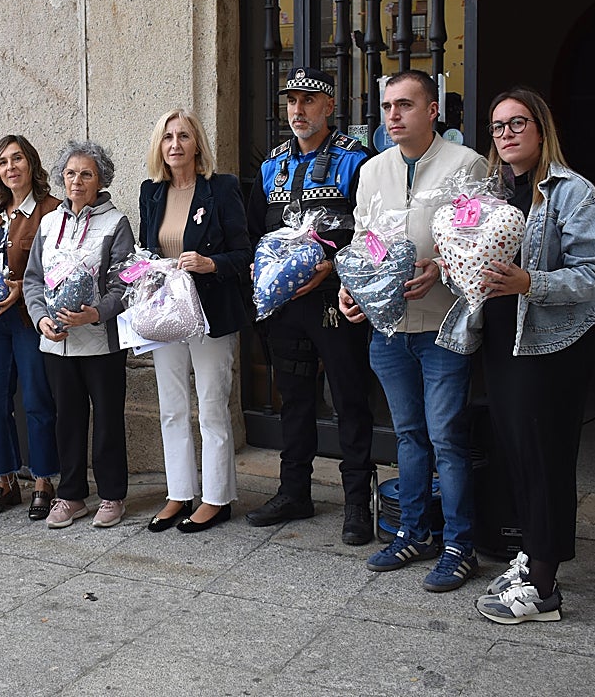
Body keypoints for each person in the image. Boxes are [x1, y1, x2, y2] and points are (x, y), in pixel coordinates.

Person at [436, 88, 595, 623]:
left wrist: (528, 281)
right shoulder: (488, 193)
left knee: (546, 458)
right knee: (516, 451)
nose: (506, 133)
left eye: (518, 123)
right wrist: (454, 267)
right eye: (497, 127)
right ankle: (532, 555)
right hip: (501, 339)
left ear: (541, 129)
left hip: (553, 344)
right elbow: (468, 257)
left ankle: (544, 589)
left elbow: (594, 277)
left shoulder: (574, 195)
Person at [338, 69, 487, 592]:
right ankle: (414, 530)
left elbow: (483, 241)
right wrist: (350, 288)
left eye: (405, 105)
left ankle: (459, 544)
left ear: (432, 110)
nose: (394, 116)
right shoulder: (373, 169)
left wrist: (441, 267)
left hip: (444, 326)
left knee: (447, 437)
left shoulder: (466, 165)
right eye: (387, 107)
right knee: (408, 435)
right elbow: (363, 242)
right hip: (389, 330)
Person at [244, 67, 376, 546]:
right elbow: (256, 229)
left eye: (308, 100)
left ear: (329, 106)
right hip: (286, 306)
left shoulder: (356, 160)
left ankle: (358, 502)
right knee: (294, 399)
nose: (298, 110)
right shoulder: (271, 164)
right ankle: (293, 491)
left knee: (348, 398)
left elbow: (373, 230)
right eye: (291, 101)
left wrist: (335, 265)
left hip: (335, 300)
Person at [139, 109, 251, 533]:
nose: (175, 145)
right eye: (167, 137)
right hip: (165, 313)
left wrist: (209, 263)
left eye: (184, 136)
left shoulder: (220, 189)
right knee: (171, 408)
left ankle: (217, 498)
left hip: (210, 312)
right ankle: (178, 493)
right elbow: (150, 252)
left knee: (211, 408)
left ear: (197, 144)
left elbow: (244, 253)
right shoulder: (151, 192)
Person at [24, 140, 136, 529]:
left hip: (100, 342)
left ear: (100, 178)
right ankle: (71, 494)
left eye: (86, 174)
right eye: (70, 173)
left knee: (107, 419)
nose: (77, 181)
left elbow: (124, 285)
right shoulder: (49, 222)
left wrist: (95, 313)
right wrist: (41, 319)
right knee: (66, 419)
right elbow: (33, 280)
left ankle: (112, 494)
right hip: (55, 343)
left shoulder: (116, 222)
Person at [0, 135, 61, 519]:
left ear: (31, 164)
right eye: (3, 162)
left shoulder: (51, 210)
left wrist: (24, 287)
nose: (10, 167)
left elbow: (61, 266)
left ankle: (42, 479)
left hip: (28, 318)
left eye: (17, 159)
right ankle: (4, 479)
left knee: (37, 399)